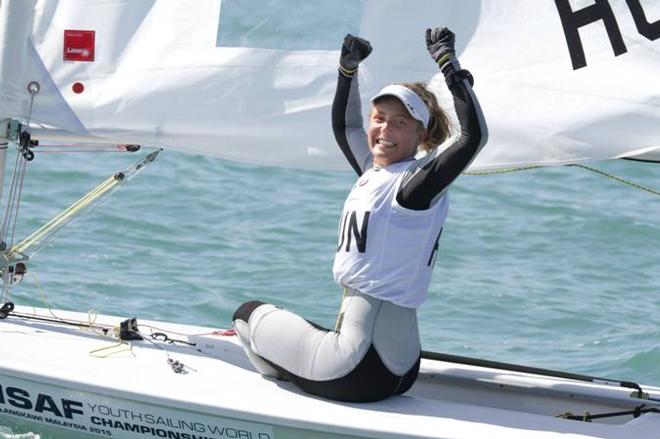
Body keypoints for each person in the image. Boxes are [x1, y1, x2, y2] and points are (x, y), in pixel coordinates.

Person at [232, 27, 487, 402]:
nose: (384, 129)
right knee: (309, 329)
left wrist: (449, 64)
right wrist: (346, 70)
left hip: (354, 368)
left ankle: (282, 400)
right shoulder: (376, 172)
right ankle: (304, 378)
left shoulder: (414, 186)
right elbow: (346, 126)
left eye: (400, 123)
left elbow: (472, 136)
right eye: (380, 117)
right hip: (401, 369)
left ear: (421, 135)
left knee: (247, 315)